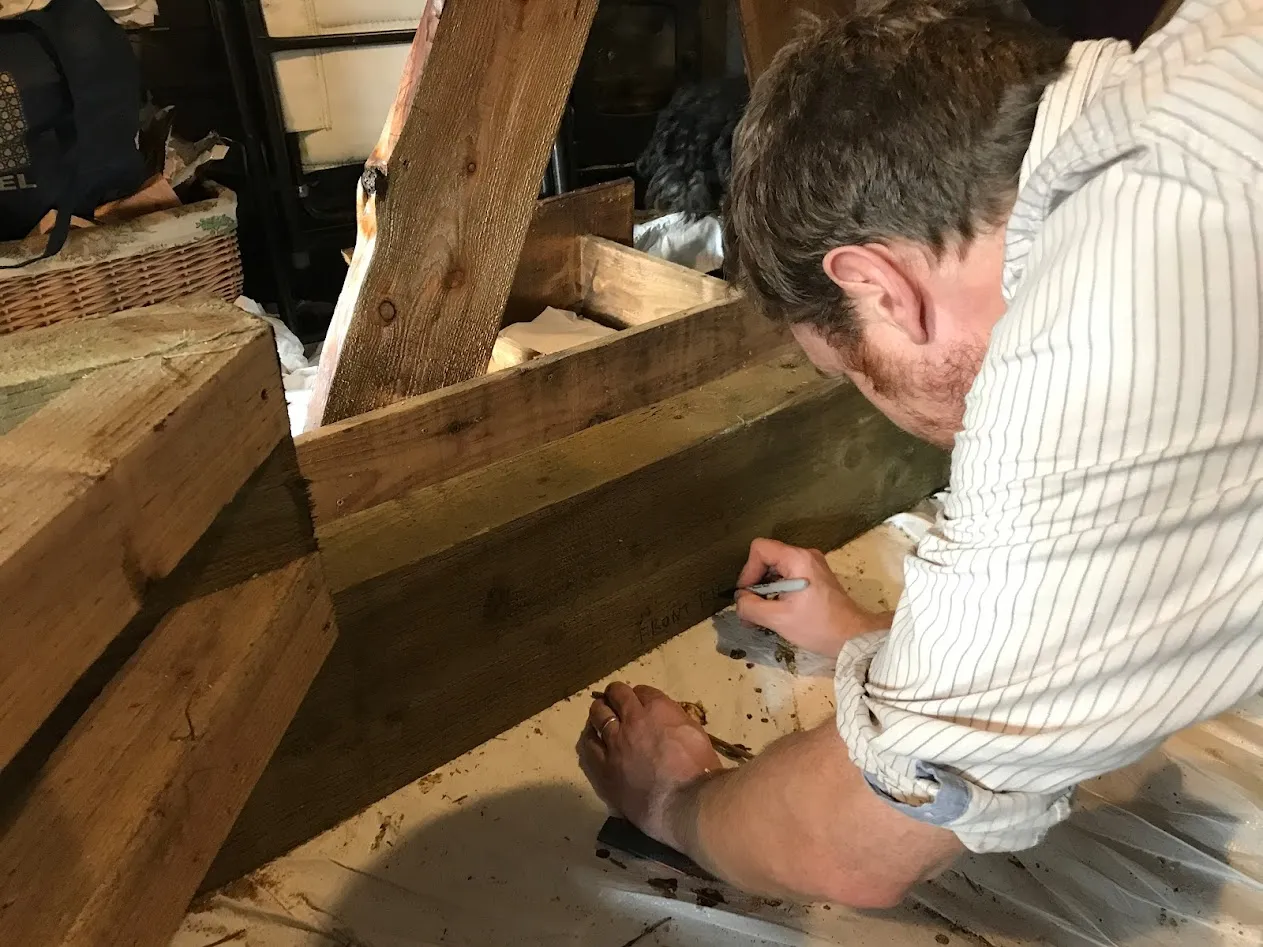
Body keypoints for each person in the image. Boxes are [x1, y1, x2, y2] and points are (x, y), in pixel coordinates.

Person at [577, 0, 1263, 909]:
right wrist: (873, 644)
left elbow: (855, 843)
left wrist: (671, 797)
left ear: (878, 288)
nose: (880, 404)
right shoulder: (1208, 60)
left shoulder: (1093, 339)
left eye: (851, 371)